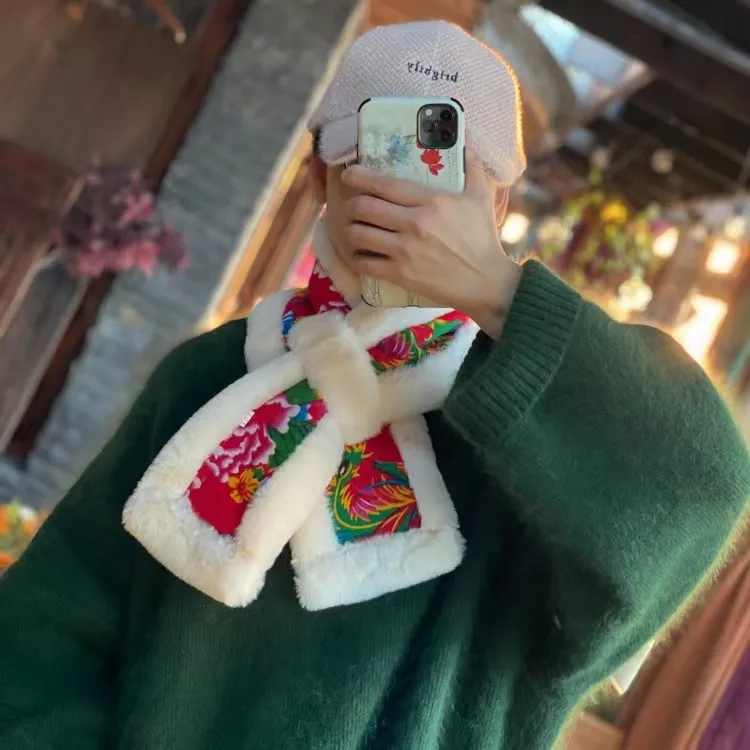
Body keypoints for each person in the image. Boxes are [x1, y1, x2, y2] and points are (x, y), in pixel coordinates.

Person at [0, 20, 747, 750]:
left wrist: (500, 293)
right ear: (319, 178)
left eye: (444, 168)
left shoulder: (552, 428)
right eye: (375, 155)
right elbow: (39, 639)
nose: (409, 198)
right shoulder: (211, 375)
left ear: (498, 206)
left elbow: (700, 487)